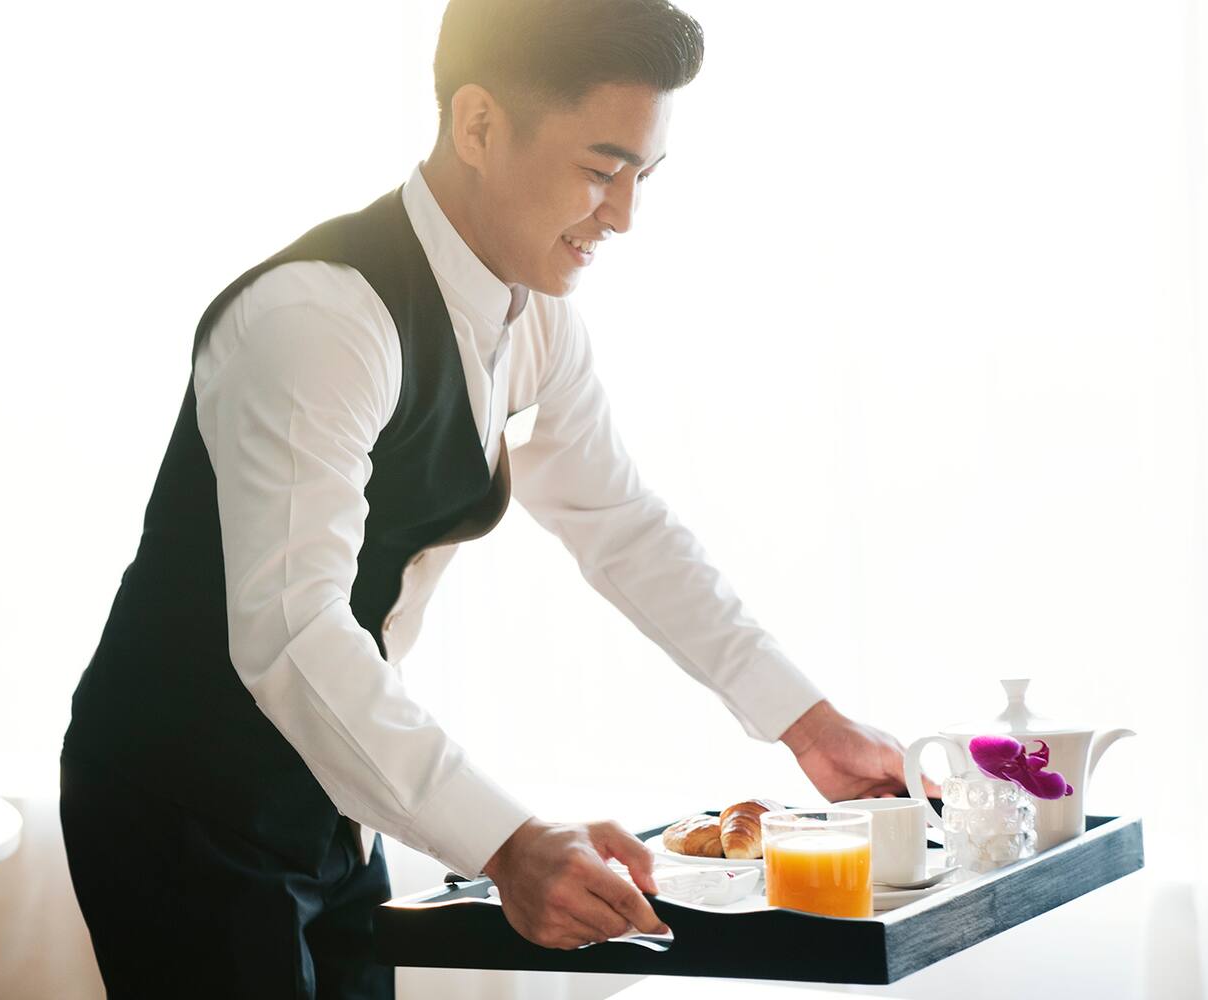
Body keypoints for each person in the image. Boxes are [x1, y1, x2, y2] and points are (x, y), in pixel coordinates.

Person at [60, 0, 923, 995]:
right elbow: (291, 632)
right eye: (600, 171)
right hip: (178, 801)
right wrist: (508, 842)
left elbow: (621, 527)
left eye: (642, 177)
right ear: (476, 126)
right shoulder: (316, 318)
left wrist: (810, 728)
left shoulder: (536, 319)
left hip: (331, 795)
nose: (624, 215)